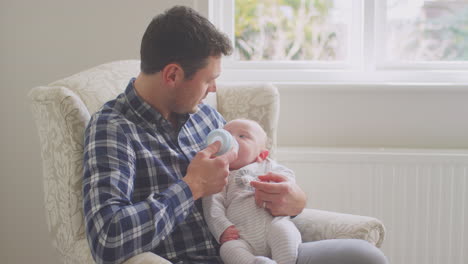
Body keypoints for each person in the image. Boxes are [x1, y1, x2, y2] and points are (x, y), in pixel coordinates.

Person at [82, 5, 388, 264]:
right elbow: (107, 238)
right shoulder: (113, 129)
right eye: (208, 80)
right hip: (201, 257)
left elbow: (251, 174)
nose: (214, 90)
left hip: (257, 248)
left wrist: (293, 201)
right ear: (173, 75)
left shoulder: (203, 115)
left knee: (363, 256)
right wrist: (190, 187)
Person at [203, 119, 302, 264]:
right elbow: (212, 205)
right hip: (241, 236)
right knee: (228, 249)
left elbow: (287, 176)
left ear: (262, 155)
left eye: (242, 136)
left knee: (284, 231)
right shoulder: (220, 174)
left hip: (272, 225)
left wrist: (279, 183)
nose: (232, 140)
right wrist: (222, 228)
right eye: (227, 135)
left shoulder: (266, 166)